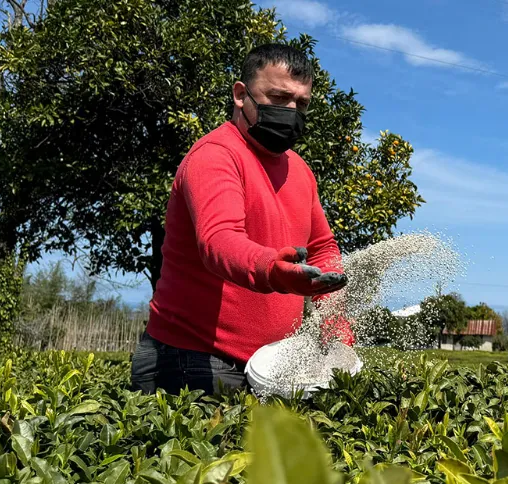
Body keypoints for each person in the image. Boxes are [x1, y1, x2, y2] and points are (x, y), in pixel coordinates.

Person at [130, 43, 351, 396]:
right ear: (240, 94)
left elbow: (323, 248)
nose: (291, 111)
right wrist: (273, 270)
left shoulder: (300, 171)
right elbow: (218, 240)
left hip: (269, 365)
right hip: (194, 360)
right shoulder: (215, 156)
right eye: (278, 97)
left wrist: (336, 325)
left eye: (302, 103)